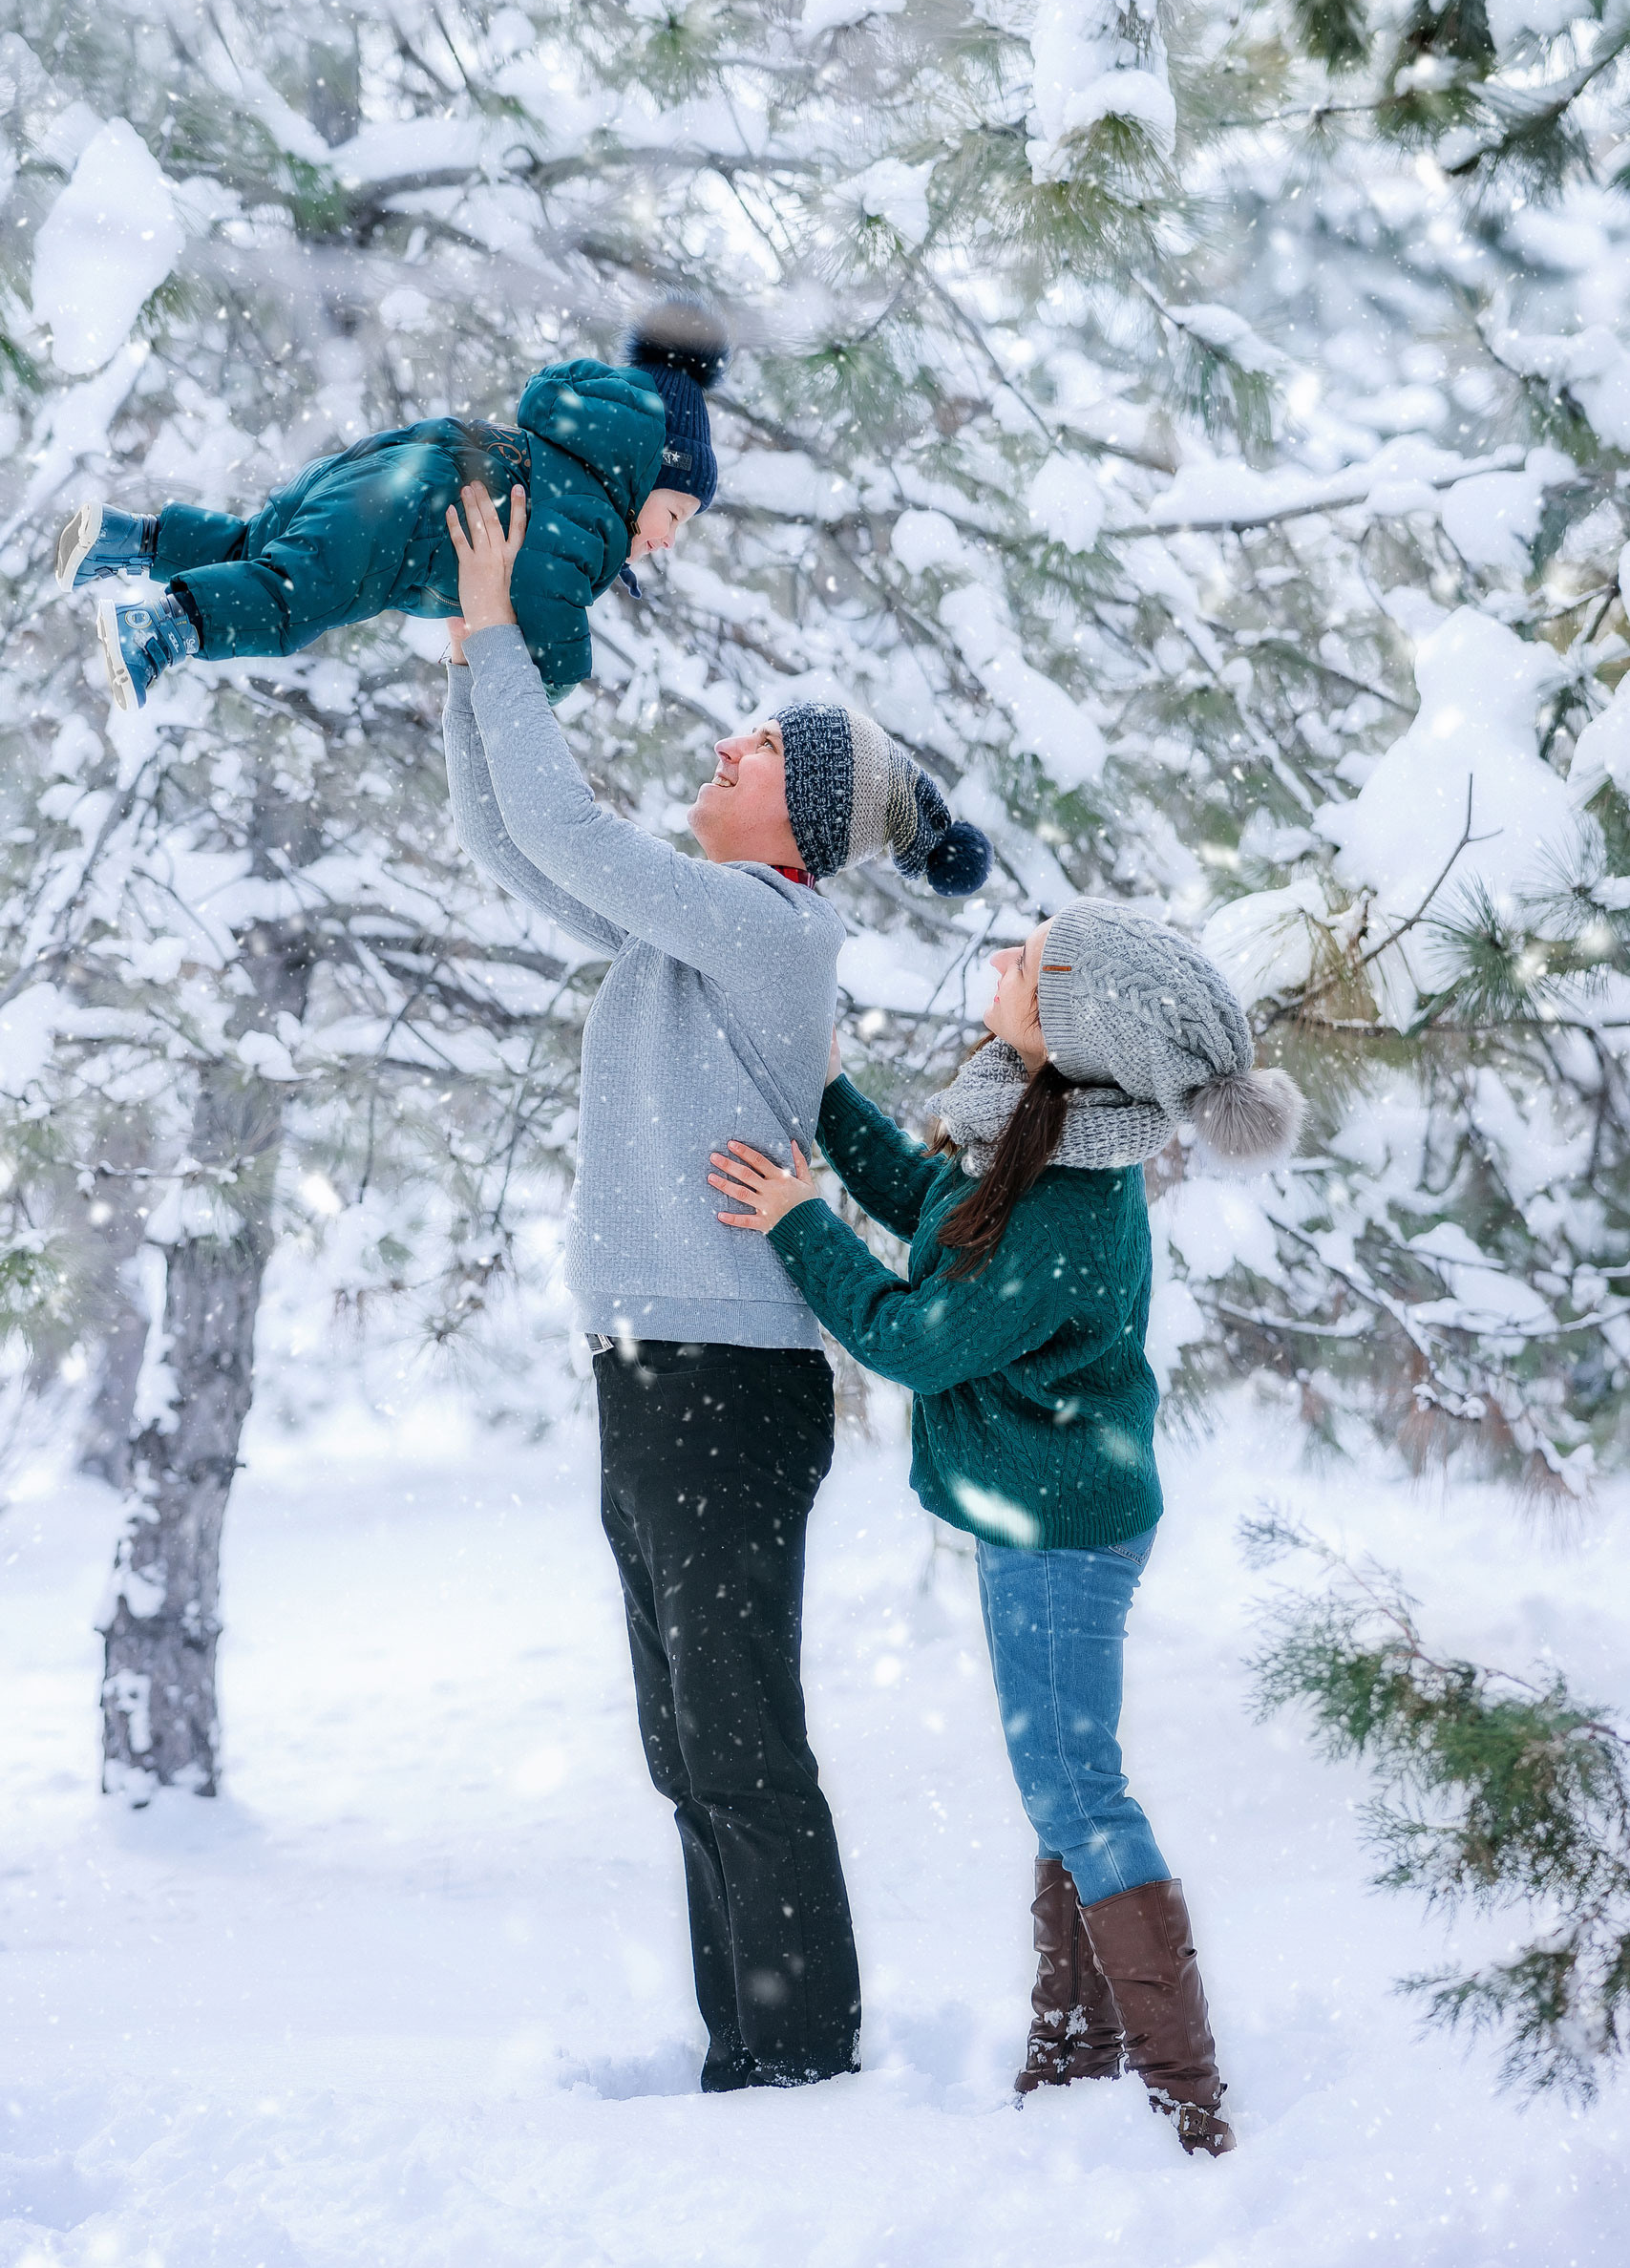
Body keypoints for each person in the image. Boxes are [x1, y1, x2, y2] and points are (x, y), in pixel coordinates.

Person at [438, 477, 992, 2090]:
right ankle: (743, 2051)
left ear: (802, 825)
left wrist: (494, 633)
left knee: (734, 1740)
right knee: (688, 1743)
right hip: (653, 1368)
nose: (720, 752)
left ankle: (800, 2059)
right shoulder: (691, 936)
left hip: (727, 1382)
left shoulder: (770, 931)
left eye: (750, 753)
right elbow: (506, 836)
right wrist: (469, 652)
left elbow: (563, 826)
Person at [707, 901, 1304, 2154]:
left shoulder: (1067, 1214)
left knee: (1076, 1789)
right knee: (1062, 1788)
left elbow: (914, 1339)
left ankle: (1184, 2104)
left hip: (1056, 1537)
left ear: (1076, 1029)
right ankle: (1077, 2052)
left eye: (1026, 966)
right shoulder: (1044, 1148)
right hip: (1049, 1515)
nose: (997, 966)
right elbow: (934, 1201)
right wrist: (826, 1105)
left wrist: (794, 1221)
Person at [53, 299, 728, 710]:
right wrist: (554, 679)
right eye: (674, 517)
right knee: (291, 600)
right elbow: (550, 594)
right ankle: (163, 629)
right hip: (397, 524)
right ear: (645, 472)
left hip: (377, 471)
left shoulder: (543, 455)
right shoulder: (591, 517)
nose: (668, 541)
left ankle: (128, 540)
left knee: (258, 551)